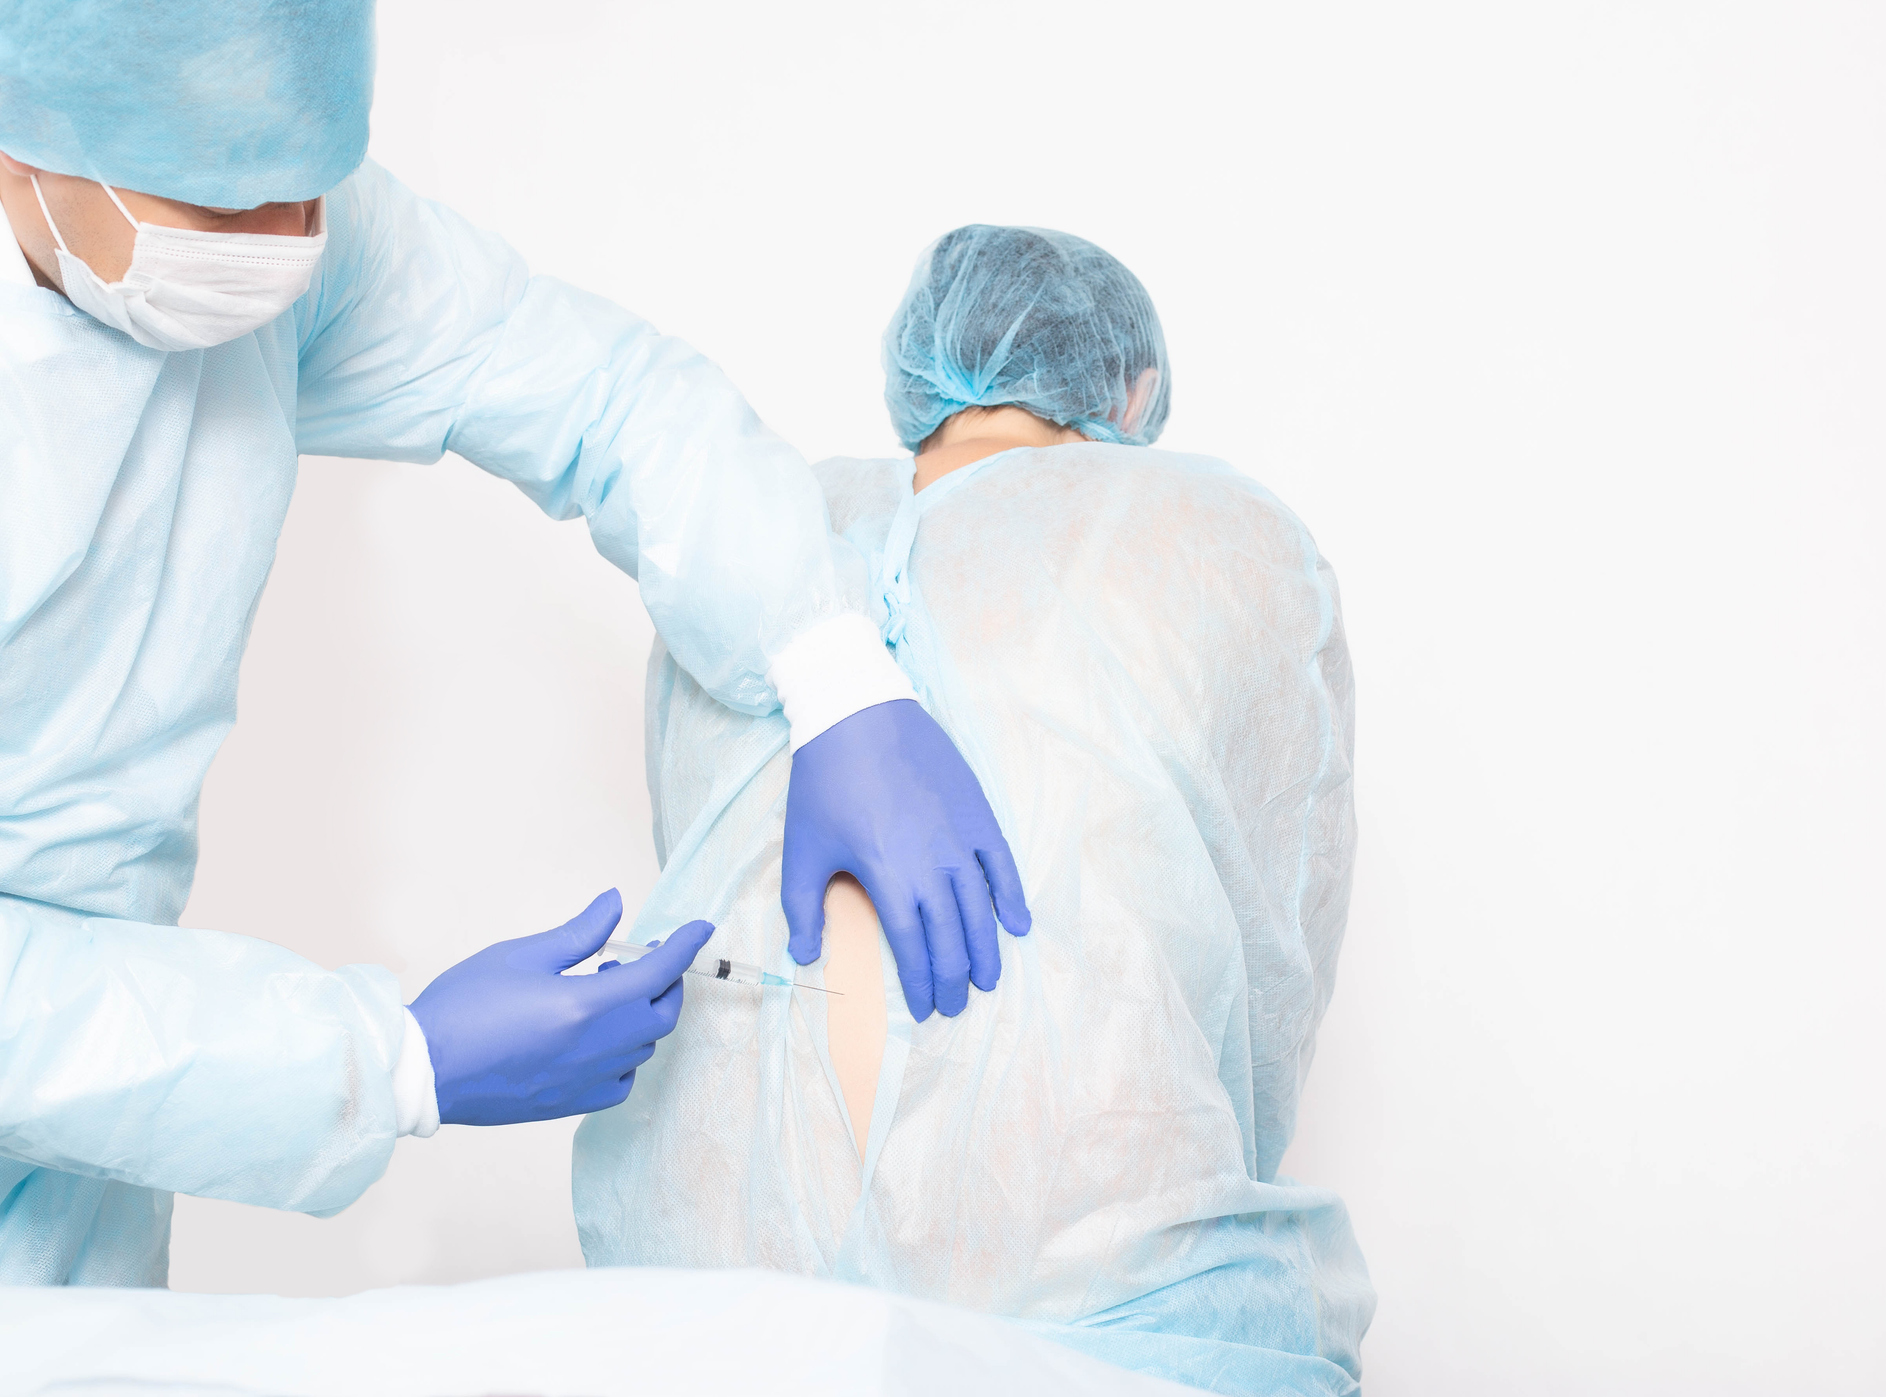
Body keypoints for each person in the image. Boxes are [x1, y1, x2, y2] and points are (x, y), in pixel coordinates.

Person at [0, 2, 1025, 1287]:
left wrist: (830, 666)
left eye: (299, 191)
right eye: (215, 207)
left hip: (94, 1159)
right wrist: (389, 1060)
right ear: (29, 133)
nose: (275, 245)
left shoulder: (279, 226)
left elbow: (593, 391)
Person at [573, 226, 1375, 1396]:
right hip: (1095, 1291)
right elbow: (1266, 960)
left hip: (698, 1268)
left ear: (918, 380)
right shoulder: (1228, 536)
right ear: (1132, 388)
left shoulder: (758, 541)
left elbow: (696, 854)